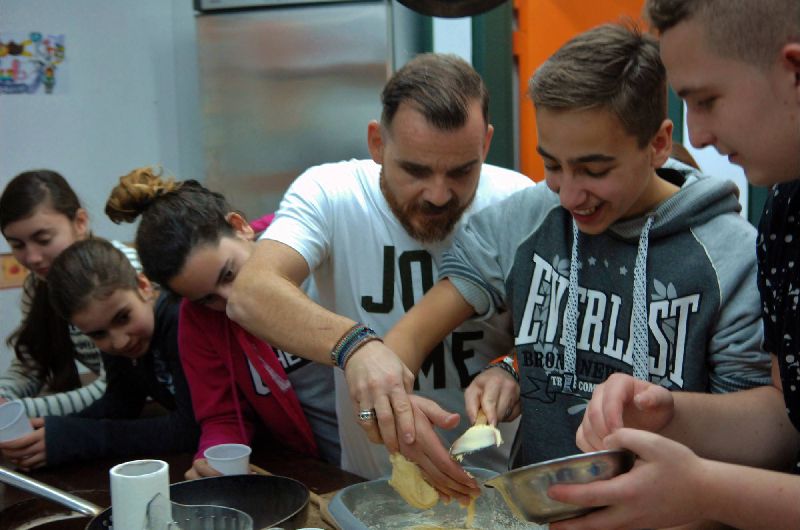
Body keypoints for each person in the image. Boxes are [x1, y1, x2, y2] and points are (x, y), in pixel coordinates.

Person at [381, 22, 771, 492]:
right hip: (536, 509)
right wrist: (395, 396)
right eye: (551, 165)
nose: (568, 195)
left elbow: (754, 439)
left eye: (594, 170)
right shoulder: (528, 219)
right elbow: (411, 335)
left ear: (658, 144)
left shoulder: (732, 257)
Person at [225, 52, 533, 498]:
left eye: (461, 171)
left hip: (498, 489)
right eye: (415, 170)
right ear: (377, 143)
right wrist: (356, 347)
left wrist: (511, 368)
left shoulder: (517, 201)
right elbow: (251, 292)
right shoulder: (332, 195)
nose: (438, 194)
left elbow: (549, 336)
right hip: (373, 488)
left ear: (485, 144)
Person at [543, 2, 800, 529]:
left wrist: (708, 492)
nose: (697, 136)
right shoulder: (786, 209)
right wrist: (669, 413)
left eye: (706, 100)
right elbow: (785, 420)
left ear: (794, 71)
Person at [105, 166, 338, 479]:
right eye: (208, 299)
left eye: (228, 274)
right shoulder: (198, 322)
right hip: (331, 467)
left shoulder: (314, 236)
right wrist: (213, 459)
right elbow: (224, 416)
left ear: (240, 227)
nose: (231, 298)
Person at [0, 238, 198, 469]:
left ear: (143, 285)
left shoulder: (179, 320)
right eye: (98, 334)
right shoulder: (120, 333)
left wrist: (74, 437)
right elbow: (122, 402)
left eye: (123, 317)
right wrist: (54, 428)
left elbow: (191, 429)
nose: (120, 342)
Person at [0, 170, 140, 418]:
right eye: (17, 245)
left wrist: (16, 410)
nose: (32, 258)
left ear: (80, 222)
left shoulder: (122, 271)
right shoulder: (38, 284)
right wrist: (4, 396)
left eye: (43, 239)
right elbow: (32, 362)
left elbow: (117, 388)